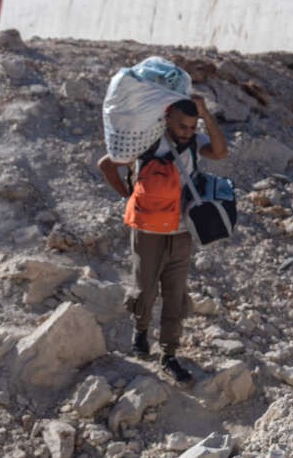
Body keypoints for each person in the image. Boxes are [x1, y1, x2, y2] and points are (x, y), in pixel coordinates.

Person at [97, 97, 228, 383]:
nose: (187, 131)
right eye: (182, 125)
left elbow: (220, 151)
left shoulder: (195, 142)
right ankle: (140, 330)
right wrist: (127, 194)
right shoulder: (147, 142)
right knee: (145, 289)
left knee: (175, 295)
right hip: (148, 232)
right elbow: (106, 164)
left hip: (181, 233)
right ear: (167, 118)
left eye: (193, 126)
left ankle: (169, 354)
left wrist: (205, 114)